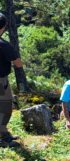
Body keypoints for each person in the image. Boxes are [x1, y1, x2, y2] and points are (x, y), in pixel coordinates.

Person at [0, 12, 24, 148]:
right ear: (3, 28)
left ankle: (4, 134)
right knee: (5, 109)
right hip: (1, 81)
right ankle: (2, 140)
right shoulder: (4, 45)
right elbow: (18, 63)